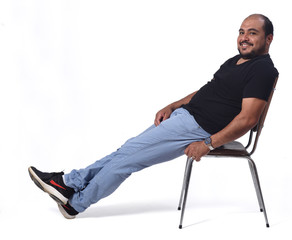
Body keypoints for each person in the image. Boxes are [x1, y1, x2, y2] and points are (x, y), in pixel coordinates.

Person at [28, 13, 279, 219]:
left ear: (268, 38)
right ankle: (70, 183)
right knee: (126, 151)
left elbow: (248, 120)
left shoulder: (262, 71)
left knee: (128, 160)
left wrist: (207, 144)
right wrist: (173, 105)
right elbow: (208, 90)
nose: (244, 38)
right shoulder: (236, 60)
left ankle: (76, 202)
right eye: (241, 32)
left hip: (198, 129)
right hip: (185, 118)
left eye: (252, 33)